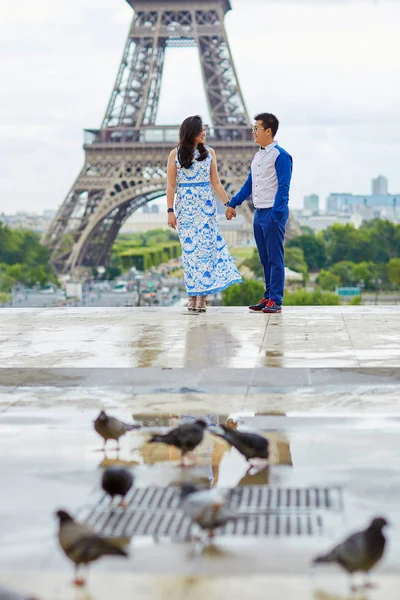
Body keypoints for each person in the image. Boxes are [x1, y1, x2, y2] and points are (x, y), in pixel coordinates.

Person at [166, 115, 242, 312]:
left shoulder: (210, 153)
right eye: (201, 130)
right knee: (190, 254)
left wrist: (228, 203)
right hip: (186, 210)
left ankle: (203, 297)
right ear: (191, 131)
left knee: (206, 253)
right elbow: (171, 185)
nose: (204, 133)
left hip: (206, 210)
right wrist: (170, 211)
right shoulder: (174, 155)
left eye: (205, 130)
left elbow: (216, 182)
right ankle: (193, 295)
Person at [225, 113, 293, 314]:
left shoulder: (281, 156)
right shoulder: (258, 156)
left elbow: (283, 187)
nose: (253, 132)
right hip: (259, 212)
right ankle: (268, 295)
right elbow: (249, 185)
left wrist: (277, 213)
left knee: (275, 258)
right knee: (265, 258)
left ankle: (276, 300)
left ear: (268, 131)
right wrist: (233, 203)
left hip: (272, 212)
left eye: (256, 128)